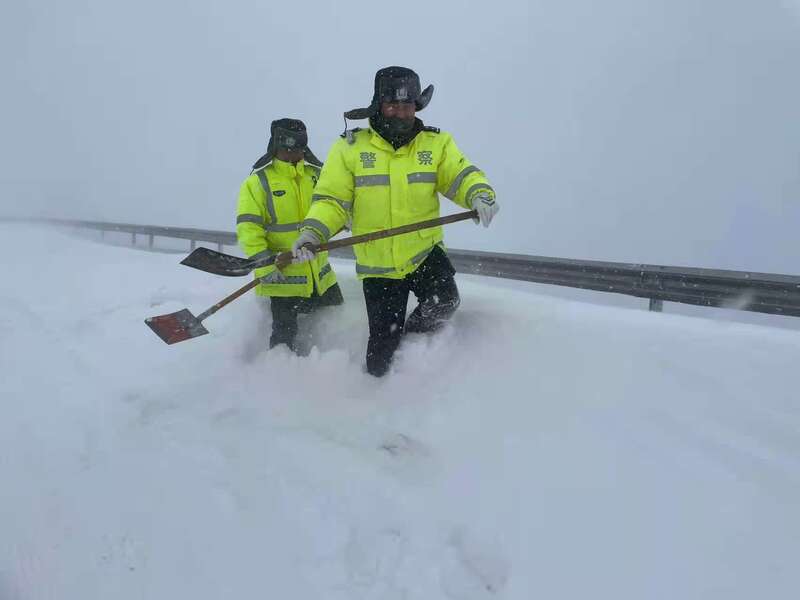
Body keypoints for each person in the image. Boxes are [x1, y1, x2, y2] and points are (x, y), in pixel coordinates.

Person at [291, 67, 499, 376]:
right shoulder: (350, 149)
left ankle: (413, 345)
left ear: (417, 106)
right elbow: (332, 201)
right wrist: (312, 233)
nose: (401, 112)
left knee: (444, 302)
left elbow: (459, 174)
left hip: (423, 252)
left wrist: (479, 194)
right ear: (378, 104)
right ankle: (375, 394)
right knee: (380, 355)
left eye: (408, 105)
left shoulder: (435, 144)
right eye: (393, 105)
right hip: (379, 266)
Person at [237, 118, 343, 353]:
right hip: (283, 277)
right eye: (287, 147)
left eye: (298, 148)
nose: (292, 153)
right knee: (284, 338)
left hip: (321, 276)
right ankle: (278, 379)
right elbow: (248, 228)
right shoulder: (258, 183)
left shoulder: (318, 175)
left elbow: (334, 208)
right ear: (275, 146)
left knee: (337, 324)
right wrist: (265, 264)